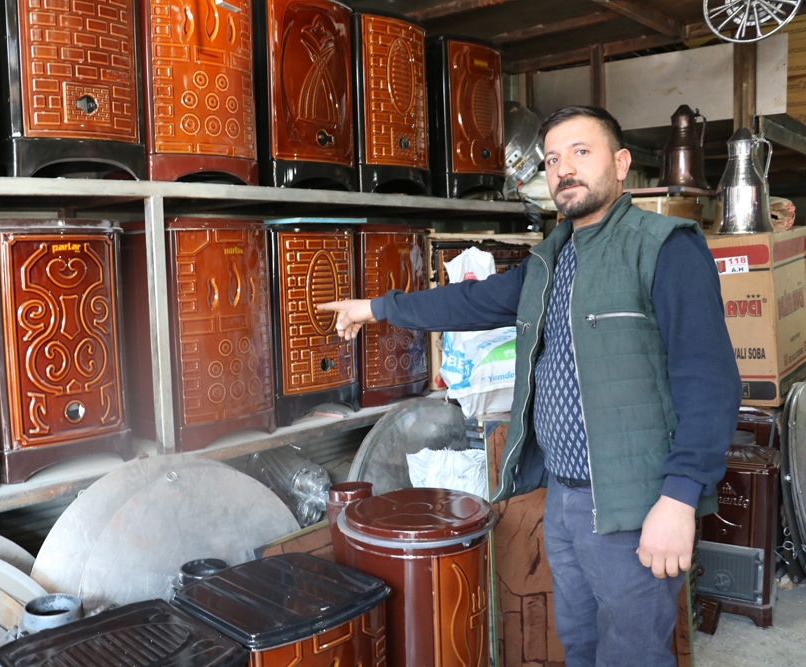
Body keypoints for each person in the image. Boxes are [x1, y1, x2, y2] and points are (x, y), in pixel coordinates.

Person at [318, 106, 741, 667]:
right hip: (564, 497)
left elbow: (709, 379)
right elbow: (471, 301)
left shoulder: (663, 247)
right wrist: (377, 308)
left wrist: (679, 499)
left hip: (633, 502)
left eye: (581, 152)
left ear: (621, 164)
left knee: (633, 654)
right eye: (553, 159)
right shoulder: (549, 260)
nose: (565, 168)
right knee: (580, 645)